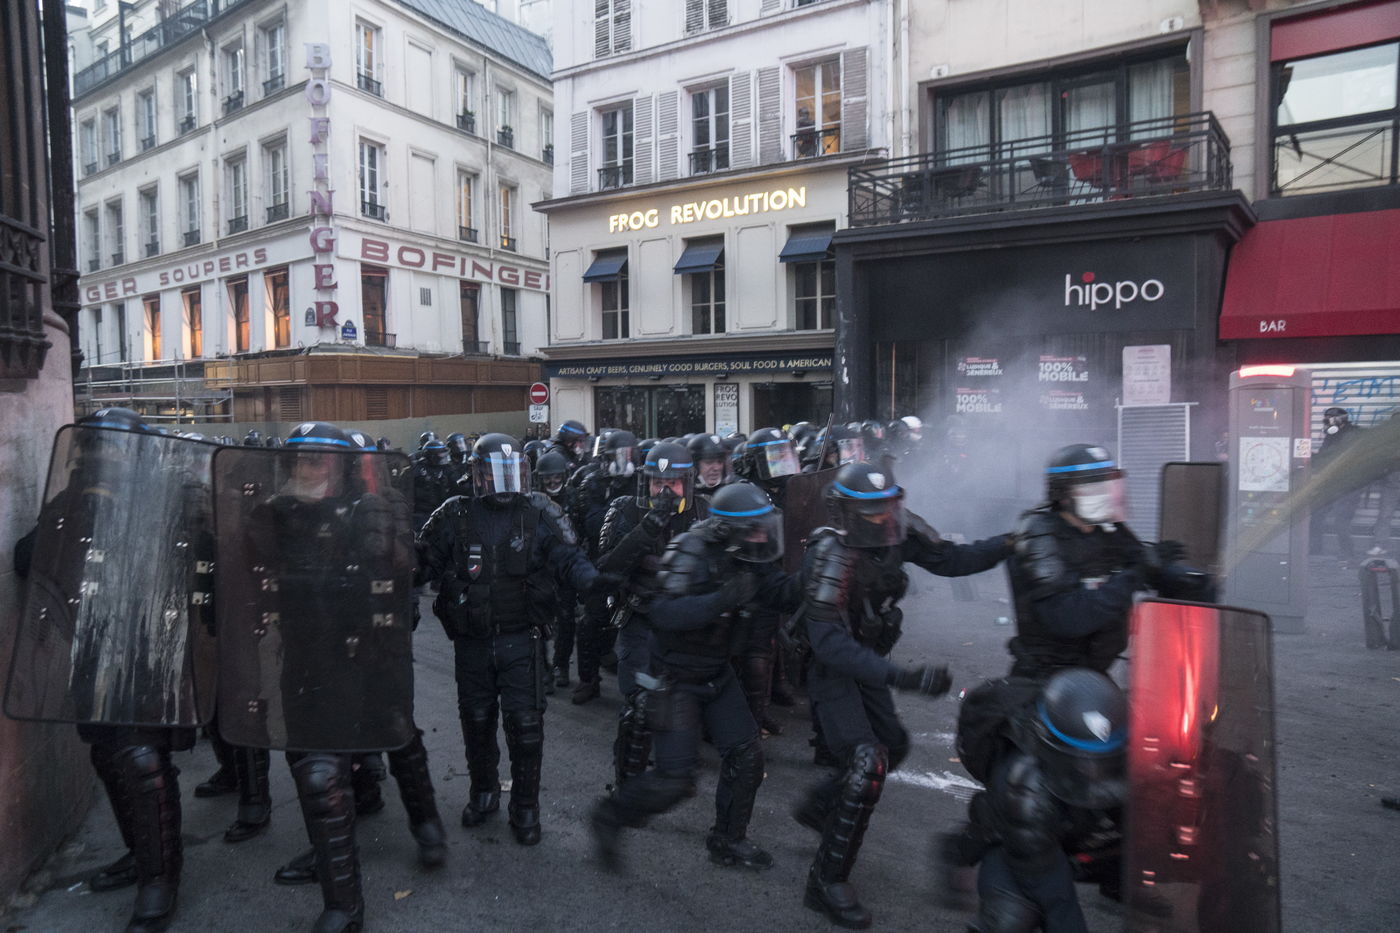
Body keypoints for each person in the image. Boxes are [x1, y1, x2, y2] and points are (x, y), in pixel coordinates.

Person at [11, 408, 209, 933]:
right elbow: (28, 558)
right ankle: (139, 853)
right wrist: (77, 511)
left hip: (150, 650)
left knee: (142, 759)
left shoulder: (168, 502)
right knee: (107, 754)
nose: (102, 458)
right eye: (94, 449)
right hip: (93, 651)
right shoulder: (70, 504)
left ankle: (160, 879)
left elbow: (202, 566)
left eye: (111, 449)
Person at [792, 461, 1011, 928]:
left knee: (894, 745)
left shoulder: (897, 533)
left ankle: (820, 804)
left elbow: (952, 560)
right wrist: (904, 677)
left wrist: (1008, 543)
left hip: (868, 659)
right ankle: (826, 882)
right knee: (867, 761)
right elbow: (829, 644)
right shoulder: (831, 553)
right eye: (869, 511)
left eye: (886, 507)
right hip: (833, 669)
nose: (881, 519)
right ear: (848, 513)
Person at [417, 433, 618, 844]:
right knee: (477, 721)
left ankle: (526, 807)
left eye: (512, 472)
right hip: (472, 642)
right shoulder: (455, 514)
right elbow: (422, 562)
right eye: (496, 473)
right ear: (478, 475)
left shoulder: (539, 511)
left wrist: (593, 582)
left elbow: (568, 558)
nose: (504, 482)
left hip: (522, 639)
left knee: (526, 726)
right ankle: (483, 792)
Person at [591, 482, 797, 871]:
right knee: (674, 780)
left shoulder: (751, 558)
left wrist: (812, 577)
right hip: (676, 678)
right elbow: (665, 614)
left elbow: (781, 592)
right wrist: (723, 598)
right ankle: (610, 816)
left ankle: (728, 840)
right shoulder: (690, 549)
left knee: (746, 757)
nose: (762, 537)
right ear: (730, 529)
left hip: (717, 672)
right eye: (754, 529)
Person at [1003, 444, 1204, 680]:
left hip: (1093, 673)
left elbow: (1141, 563)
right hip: (1047, 677)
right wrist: (1137, 573)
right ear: (1064, 495)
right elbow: (1067, 617)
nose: (1105, 494)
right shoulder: (1041, 535)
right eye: (1094, 487)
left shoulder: (1107, 531)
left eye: (1108, 486)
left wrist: (1184, 579)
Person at [969, 669, 1128, 933]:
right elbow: (1057, 896)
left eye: (1103, 761)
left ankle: (1118, 882)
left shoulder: (1132, 736)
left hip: (1079, 829)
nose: (1094, 773)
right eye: (1084, 762)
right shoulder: (1025, 786)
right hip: (1024, 844)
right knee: (1011, 917)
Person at [594, 441, 709, 786]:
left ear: (687, 483)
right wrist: (648, 527)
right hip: (640, 618)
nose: (665, 491)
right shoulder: (625, 509)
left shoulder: (704, 511)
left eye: (672, 483)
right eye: (658, 483)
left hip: (688, 625)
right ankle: (626, 785)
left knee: (686, 702)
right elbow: (606, 569)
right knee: (639, 706)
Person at [568, 429, 639, 704]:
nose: (624, 462)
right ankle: (588, 679)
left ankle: (613, 658)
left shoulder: (643, 481)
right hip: (600, 561)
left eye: (629, 456)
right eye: (619, 456)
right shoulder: (593, 483)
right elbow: (590, 524)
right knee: (590, 623)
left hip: (634, 561)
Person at [1309, 407, 1365, 562]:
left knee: (1341, 520)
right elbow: (1324, 457)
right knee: (1317, 515)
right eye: (1326, 418)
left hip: (1349, 485)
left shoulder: (1353, 435)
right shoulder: (1331, 435)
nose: (1327, 422)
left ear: (1340, 420)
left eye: (1330, 418)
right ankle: (1315, 549)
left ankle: (1348, 553)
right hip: (1332, 484)